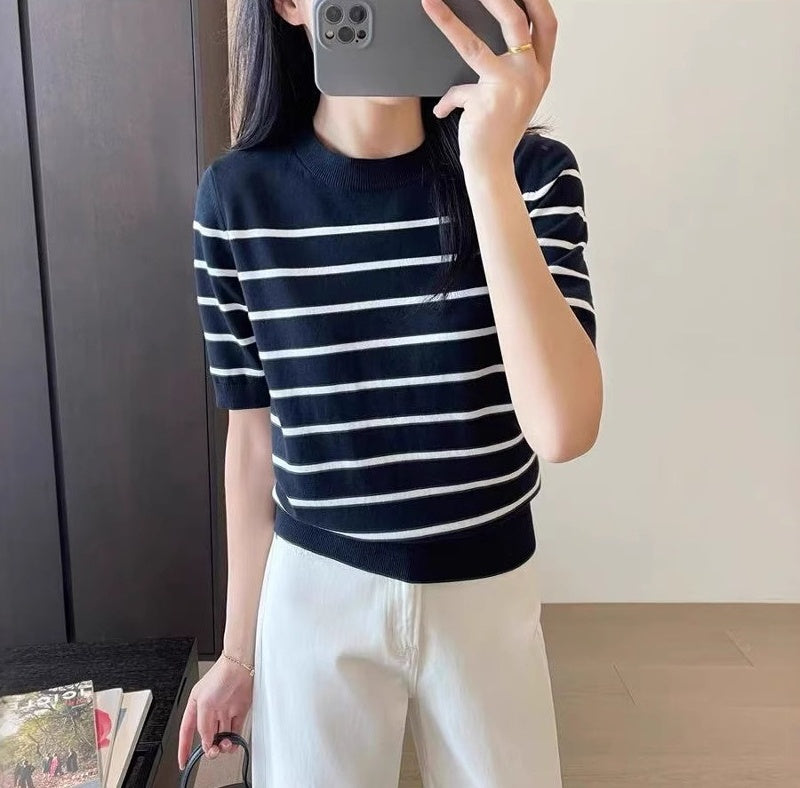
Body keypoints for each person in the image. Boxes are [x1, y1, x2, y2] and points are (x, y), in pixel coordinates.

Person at [178, 0, 602, 785]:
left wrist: (487, 167)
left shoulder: (530, 173)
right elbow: (253, 438)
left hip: (488, 585)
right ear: (290, 5)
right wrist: (238, 653)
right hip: (316, 592)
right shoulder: (237, 200)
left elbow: (564, 428)